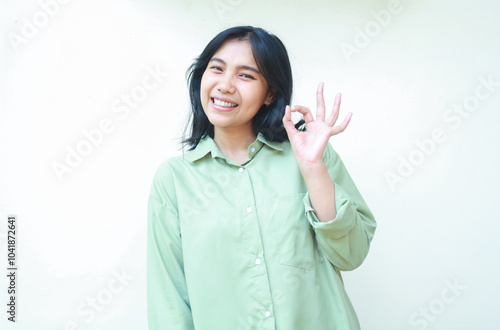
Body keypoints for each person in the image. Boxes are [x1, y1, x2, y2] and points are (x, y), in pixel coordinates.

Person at [147, 25, 377, 330]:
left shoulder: (309, 154)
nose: (225, 85)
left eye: (246, 75)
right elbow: (169, 302)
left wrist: (313, 170)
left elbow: (352, 254)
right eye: (217, 69)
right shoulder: (174, 181)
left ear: (270, 93)